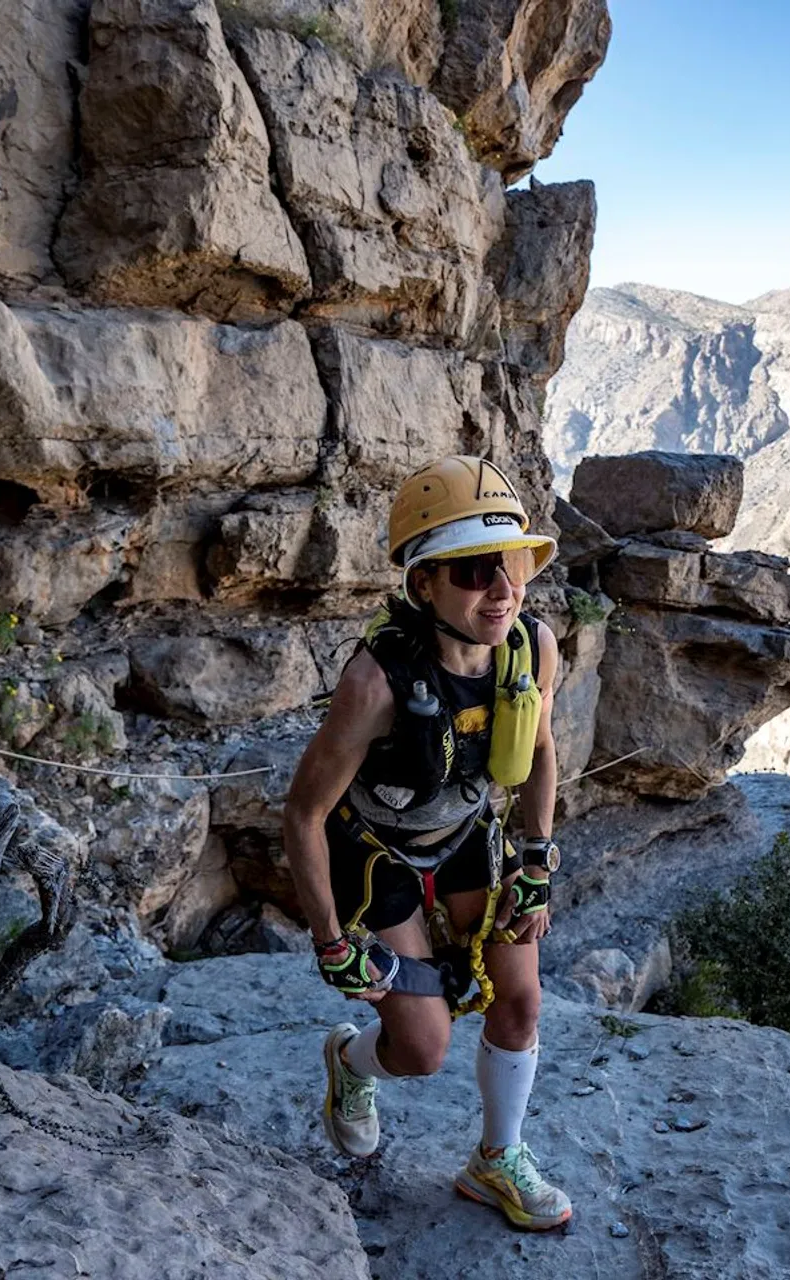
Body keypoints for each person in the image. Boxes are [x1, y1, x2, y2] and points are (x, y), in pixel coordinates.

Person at [282, 455, 572, 1232]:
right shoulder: (375, 684)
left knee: (520, 995)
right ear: (424, 586)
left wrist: (537, 861)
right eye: (475, 571)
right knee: (422, 1048)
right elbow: (304, 813)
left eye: (512, 563)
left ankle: (495, 1160)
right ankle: (350, 1063)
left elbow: (539, 751)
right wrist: (330, 941)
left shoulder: (529, 647)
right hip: (376, 853)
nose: (504, 588)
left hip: (468, 835)